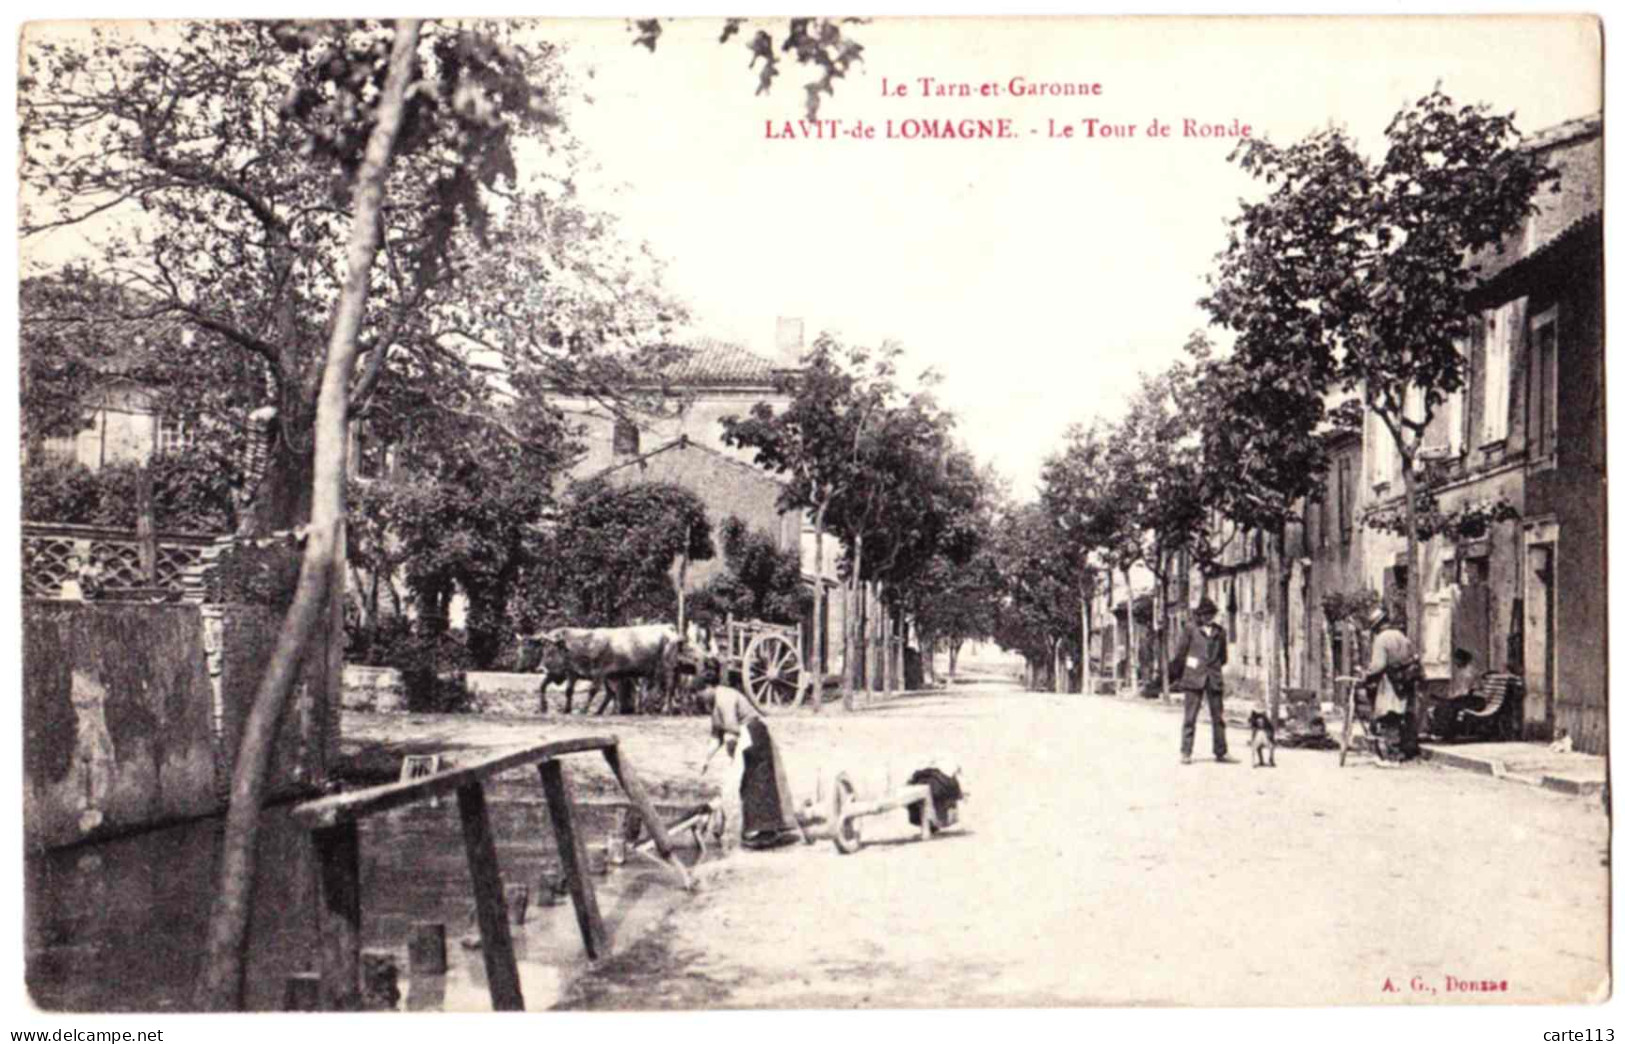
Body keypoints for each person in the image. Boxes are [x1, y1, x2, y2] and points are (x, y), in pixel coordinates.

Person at [698, 667, 807, 848]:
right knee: (748, 785)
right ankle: (759, 830)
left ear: (709, 687)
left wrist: (733, 758)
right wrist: (706, 760)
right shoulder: (714, 704)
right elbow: (716, 736)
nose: (698, 697)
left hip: (754, 734)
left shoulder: (724, 697)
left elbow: (731, 733)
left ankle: (768, 829)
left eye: (699, 692)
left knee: (758, 782)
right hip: (744, 738)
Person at [1169, 597, 1232, 765]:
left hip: (1213, 678)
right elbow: (1181, 654)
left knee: (1218, 718)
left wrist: (1214, 668)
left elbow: (1223, 656)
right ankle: (1186, 752)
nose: (1208, 617)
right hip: (1193, 678)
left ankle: (1221, 752)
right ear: (1199, 615)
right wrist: (1180, 674)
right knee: (1190, 717)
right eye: (1204, 614)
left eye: (1211, 614)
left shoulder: (1220, 632)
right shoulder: (1190, 630)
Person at [1363, 604, 1419, 765]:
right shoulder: (1402, 636)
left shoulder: (1381, 639)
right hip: (1406, 681)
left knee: (1389, 717)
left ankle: (1392, 755)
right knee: (1404, 715)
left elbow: (1378, 665)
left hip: (1390, 683)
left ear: (1377, 626)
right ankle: (1407, 751)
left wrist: (1367, 674)